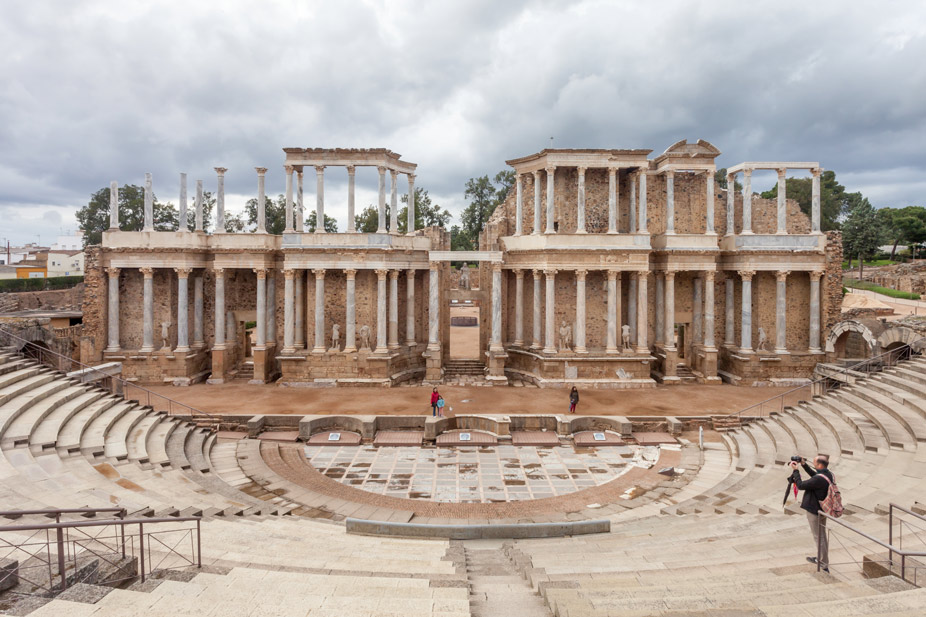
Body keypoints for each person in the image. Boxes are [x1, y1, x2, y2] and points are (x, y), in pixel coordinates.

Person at [789, 454, 835, 572]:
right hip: (822, 509)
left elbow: (801, 485)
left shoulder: (819, 479)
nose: (813, 464)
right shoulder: (828, 474)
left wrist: (796, 471)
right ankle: (822, 558)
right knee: (822, 536)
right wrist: (804, 465)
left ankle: (823, 564)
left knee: (818, 537)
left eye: (814, 463)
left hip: (815, 511)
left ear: (819, 465)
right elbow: (815, 476)